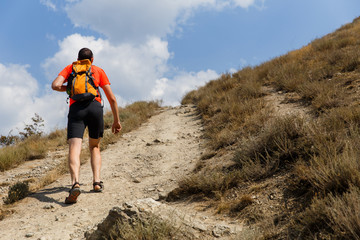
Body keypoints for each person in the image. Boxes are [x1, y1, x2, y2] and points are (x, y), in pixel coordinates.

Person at [51, 48, 122, 204]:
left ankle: (75, 183)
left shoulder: (71, 68)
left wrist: (69, 89)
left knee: (74, 148)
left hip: (76, 109)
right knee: (94, 147)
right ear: (92, 59)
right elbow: (112, 98)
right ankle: (96, 182)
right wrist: (116, 120)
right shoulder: (97, 70)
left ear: (78, 59)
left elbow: (55, 85)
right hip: (95, 108)